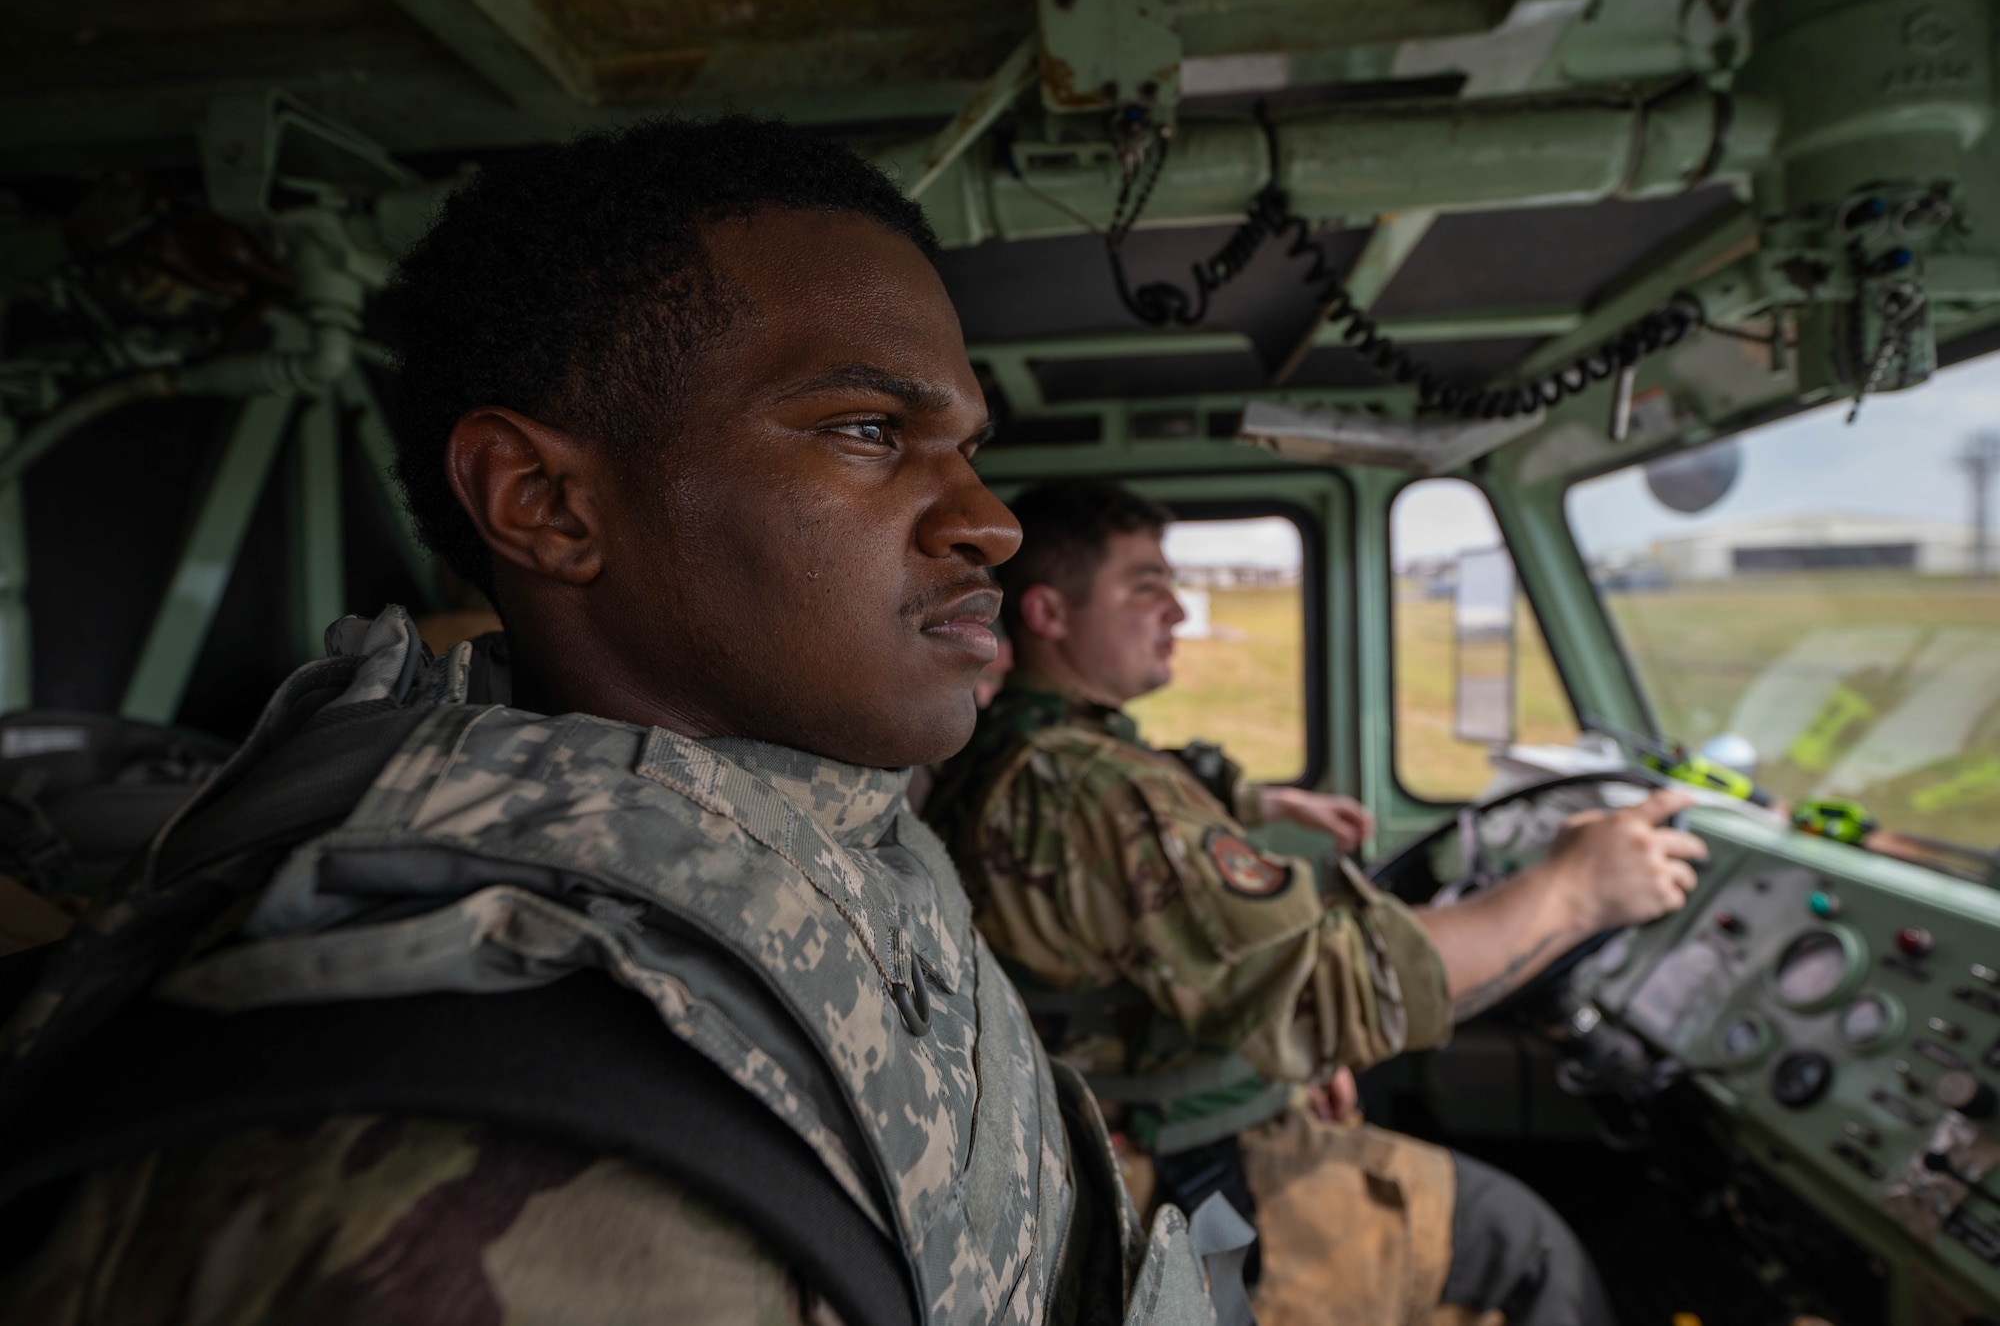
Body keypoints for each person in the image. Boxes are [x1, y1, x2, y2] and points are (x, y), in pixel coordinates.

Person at [0, 123, 1224, 1326]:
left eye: (965, 449)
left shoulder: (836, 845)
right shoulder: (479, 1163)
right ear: (545, 504)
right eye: (867, 429)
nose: (990, 521)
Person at [925, 480, 1711, 1326]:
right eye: (1145, 584)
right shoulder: (1101, 789)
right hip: (1164, 1171)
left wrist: (1265, 805)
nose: (1179, 612)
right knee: (1519, 1249)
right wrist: (1575, 888)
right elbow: (1334, 988)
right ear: (1047, 613)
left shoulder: (1016, 746)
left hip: (1125, 1111)